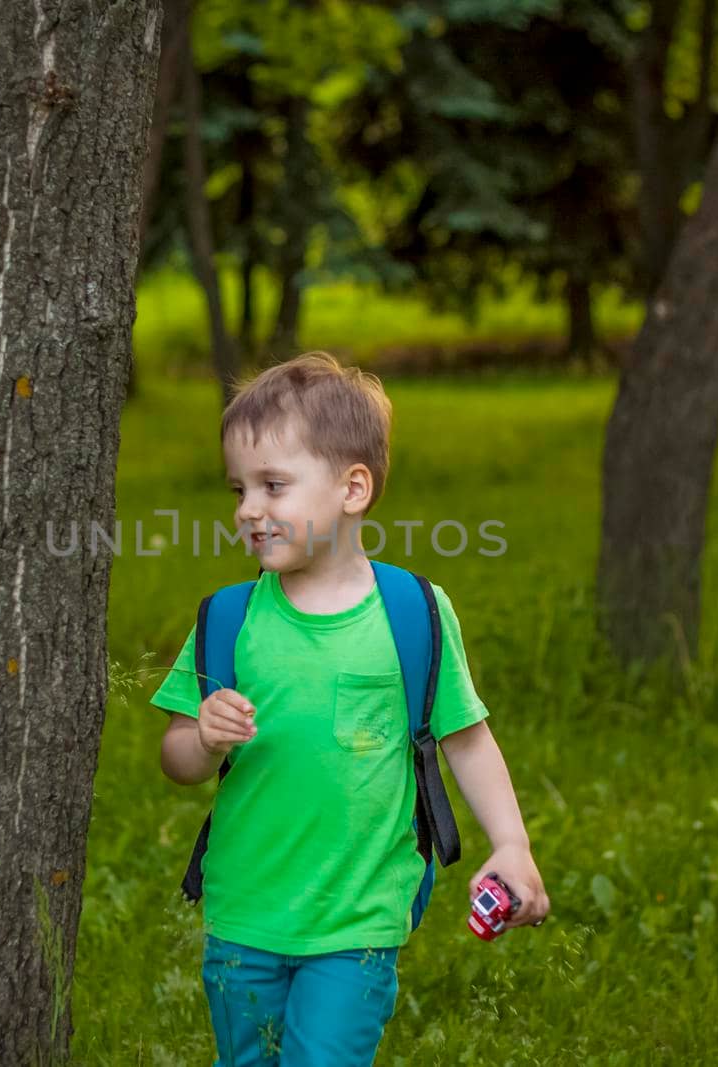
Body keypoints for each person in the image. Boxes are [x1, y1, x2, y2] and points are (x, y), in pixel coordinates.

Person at [147, 352, 551, 1066]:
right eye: (238, 488)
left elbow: (465, 739)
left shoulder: (412, 614)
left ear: (352, 487)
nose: (248, 508)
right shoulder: (229, 619)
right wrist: (204, 738)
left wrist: (511, 844)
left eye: (273, 484)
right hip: (244, 908)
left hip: (357, 914)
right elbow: (176, 756)